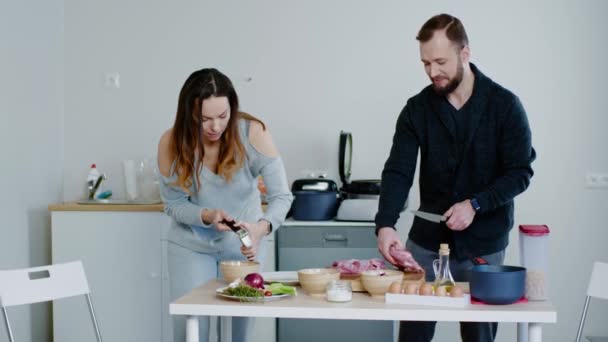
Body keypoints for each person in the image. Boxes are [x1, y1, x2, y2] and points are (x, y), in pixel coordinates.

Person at [375, 14, 536, 342]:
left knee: (479, 337)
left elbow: (520, 172)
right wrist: (386, 224)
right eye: (425, 63)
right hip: (425, 245)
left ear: (465, 53)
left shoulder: (505, 106)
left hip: (484, 246)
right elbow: (398, 171)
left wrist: (475, 204)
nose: (433, 72)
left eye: (440, 61)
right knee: (413, 337)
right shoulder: (416, 109)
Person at [158, 68, 293, 342]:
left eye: (223, 116)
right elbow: (173, 204)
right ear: (188, 114)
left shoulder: (253, 134)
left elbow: (282, 197)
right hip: (190, 246)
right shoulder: (171, 142)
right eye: (204, 119)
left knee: (238, 335)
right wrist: (205, 215)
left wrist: (260, 228)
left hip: (242, 247)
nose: (215, 127)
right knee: (191, 331)